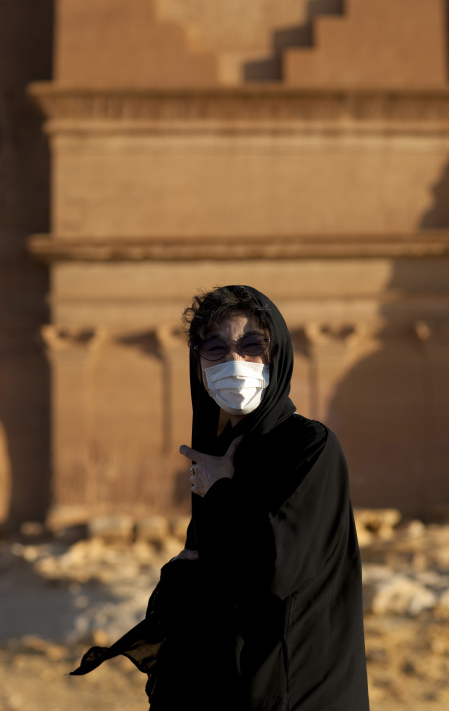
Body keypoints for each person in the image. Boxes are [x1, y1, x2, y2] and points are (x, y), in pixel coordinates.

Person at [71, 284, 370, 711]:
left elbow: (276, 569)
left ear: (278, 353)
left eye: (252, 346)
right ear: (199, 365)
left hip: (294, 690)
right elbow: (218, 577)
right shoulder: (220, 453)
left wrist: (224, 490)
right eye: (216, 348)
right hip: (230, 689)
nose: (235, 361)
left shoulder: (308, 446)